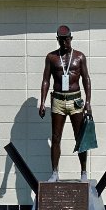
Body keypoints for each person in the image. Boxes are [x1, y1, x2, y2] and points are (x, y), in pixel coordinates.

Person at [38, 24, 92, 182]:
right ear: (57, 40)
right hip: (58, 100)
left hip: (75, 100)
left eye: (66, 40)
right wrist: (42, 102)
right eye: (61, 40)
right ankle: (54, 172)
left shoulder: (80, 57)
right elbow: (45, 80)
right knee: (56, 137)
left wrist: (88, 102)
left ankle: (83, 172)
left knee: (80, 137)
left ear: (71, 39)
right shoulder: (51, 57)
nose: (64, 43)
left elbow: (86, 79)